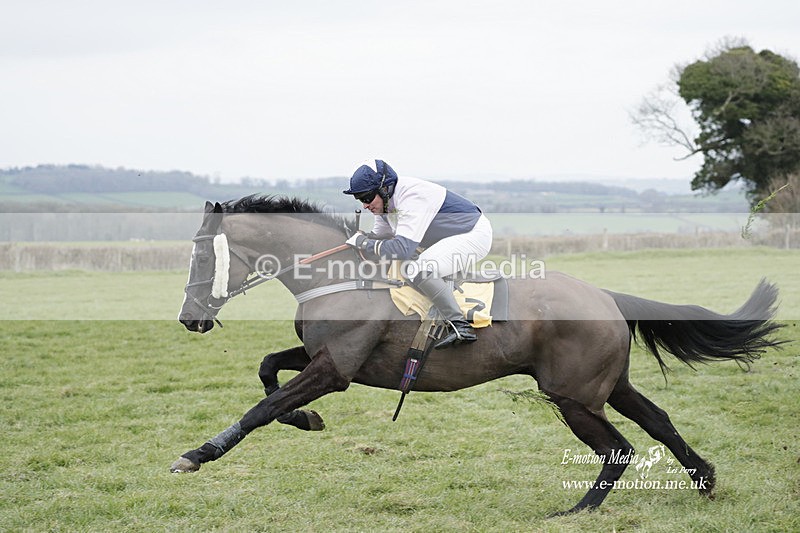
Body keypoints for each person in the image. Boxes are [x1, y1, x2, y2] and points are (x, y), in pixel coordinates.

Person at [343, 159, 493, 349]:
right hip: (449, 236)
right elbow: (381, 236)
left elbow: (402, 249)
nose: (365, 205)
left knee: (417, 269)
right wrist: (361, 239)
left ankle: (460, 326)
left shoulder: (411, 197)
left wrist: (365, 243)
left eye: (366, 198)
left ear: (384, 189)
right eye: (360, 200)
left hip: (472, 234)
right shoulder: (386, 203)